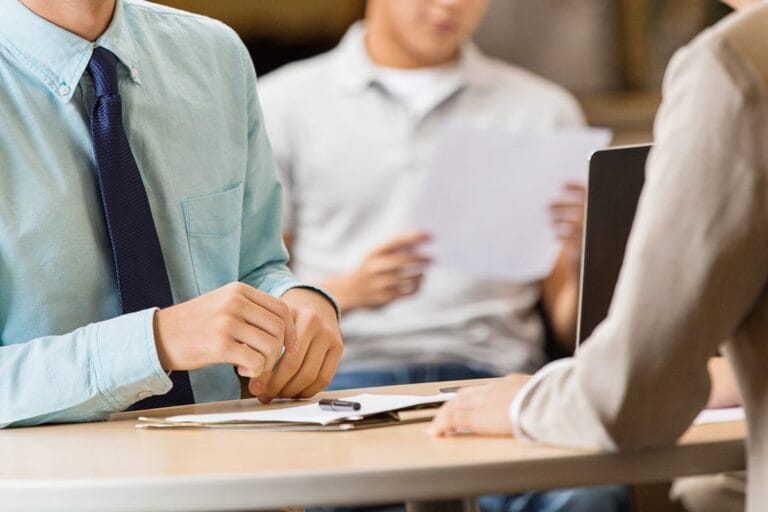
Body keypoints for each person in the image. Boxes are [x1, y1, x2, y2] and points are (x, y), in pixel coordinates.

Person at [260, 0, 626, 511]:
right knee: (328, 499)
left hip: (498, 378)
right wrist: (344, 292)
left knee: (588, 497)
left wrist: (580, 250)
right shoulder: (281, 103)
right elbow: (254, 291)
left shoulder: (541, 110)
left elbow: (572, 326)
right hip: (344, 383)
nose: (450, 6)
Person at [432, 1, 768, 511]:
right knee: (714, 489)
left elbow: (631, 399)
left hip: (513, 376)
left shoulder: (737, 64)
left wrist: (525, 403)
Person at [0, 0, 343, 428]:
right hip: (43, 486)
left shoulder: (216, 56)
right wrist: (156, 344)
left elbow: (257, 266)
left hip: (229, 468)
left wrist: (297, 302)